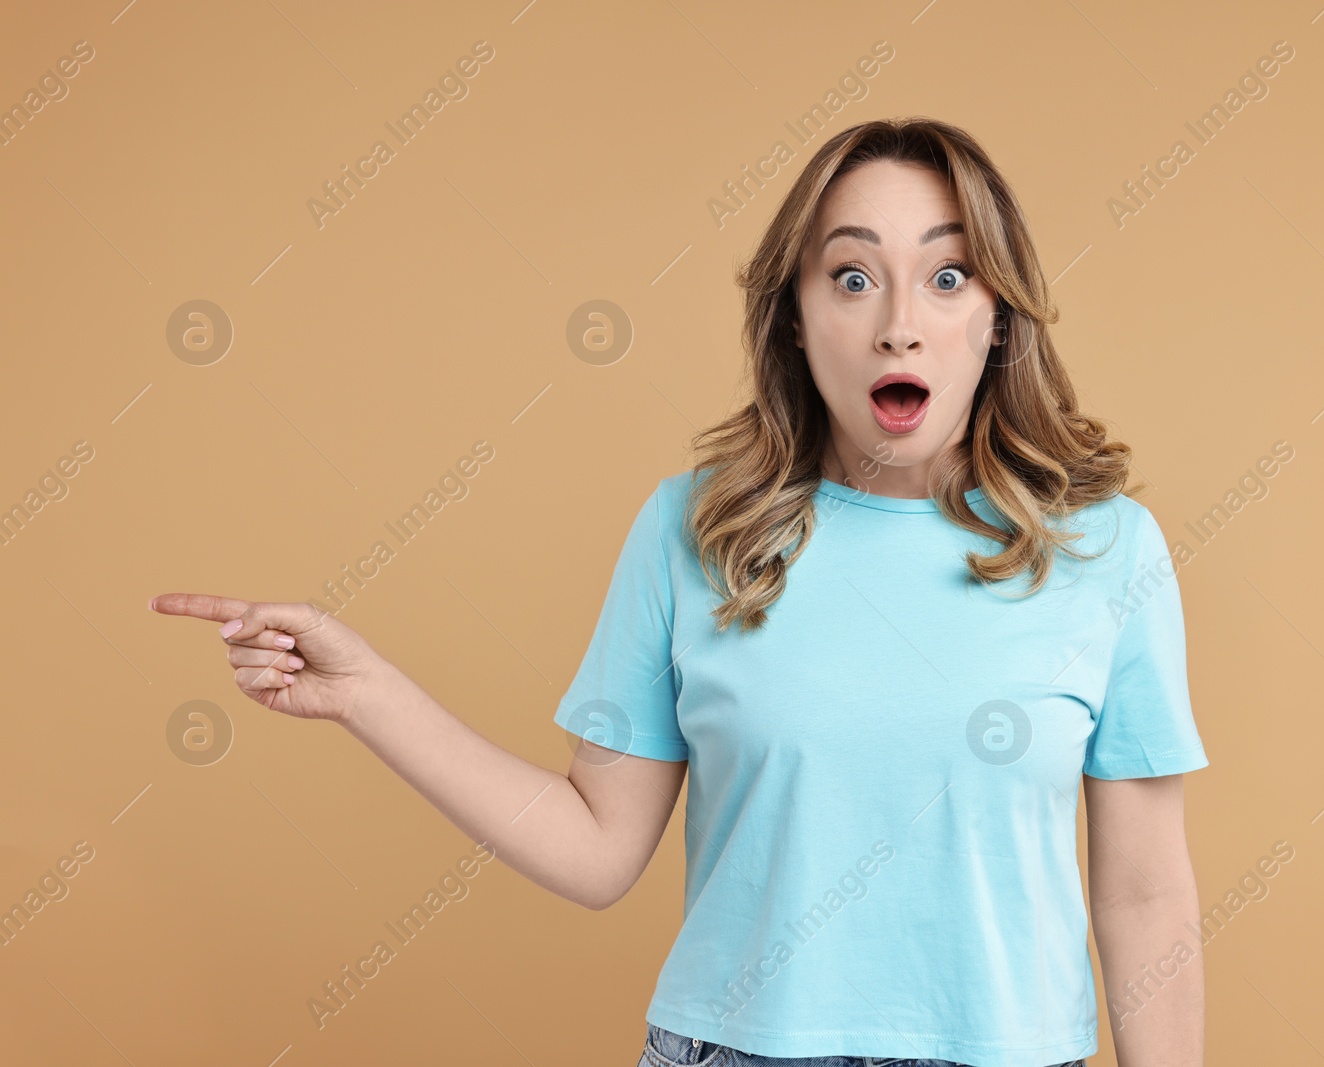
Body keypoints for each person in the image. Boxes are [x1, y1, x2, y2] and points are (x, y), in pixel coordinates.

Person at [152, 117, 1207, 1067]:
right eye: (849, 276)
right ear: (794, 318)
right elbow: (596, 844)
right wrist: (366, 692)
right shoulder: (694, 529)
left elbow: (1146, 893)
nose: (898, 324)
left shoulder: (1104, 550)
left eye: (946, 277)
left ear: (999, 318)